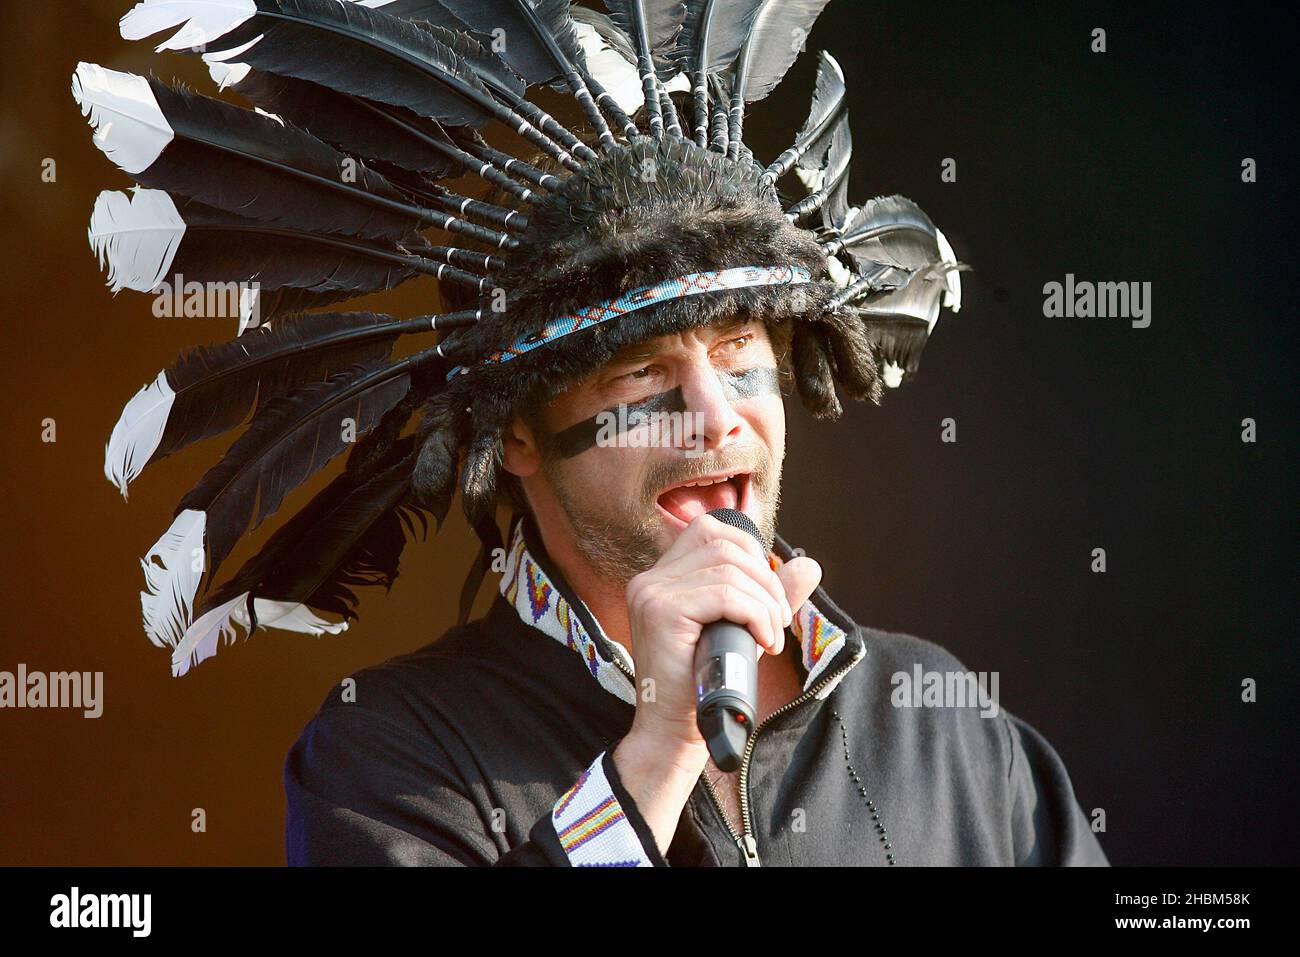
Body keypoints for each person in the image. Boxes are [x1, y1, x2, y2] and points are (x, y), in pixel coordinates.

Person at [74, 0, 1106, 865]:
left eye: (740, 351)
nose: (715, 412)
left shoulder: (944, 724)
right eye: (644, 371)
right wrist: (658, 748)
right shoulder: (389, 754)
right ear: (519, 436)